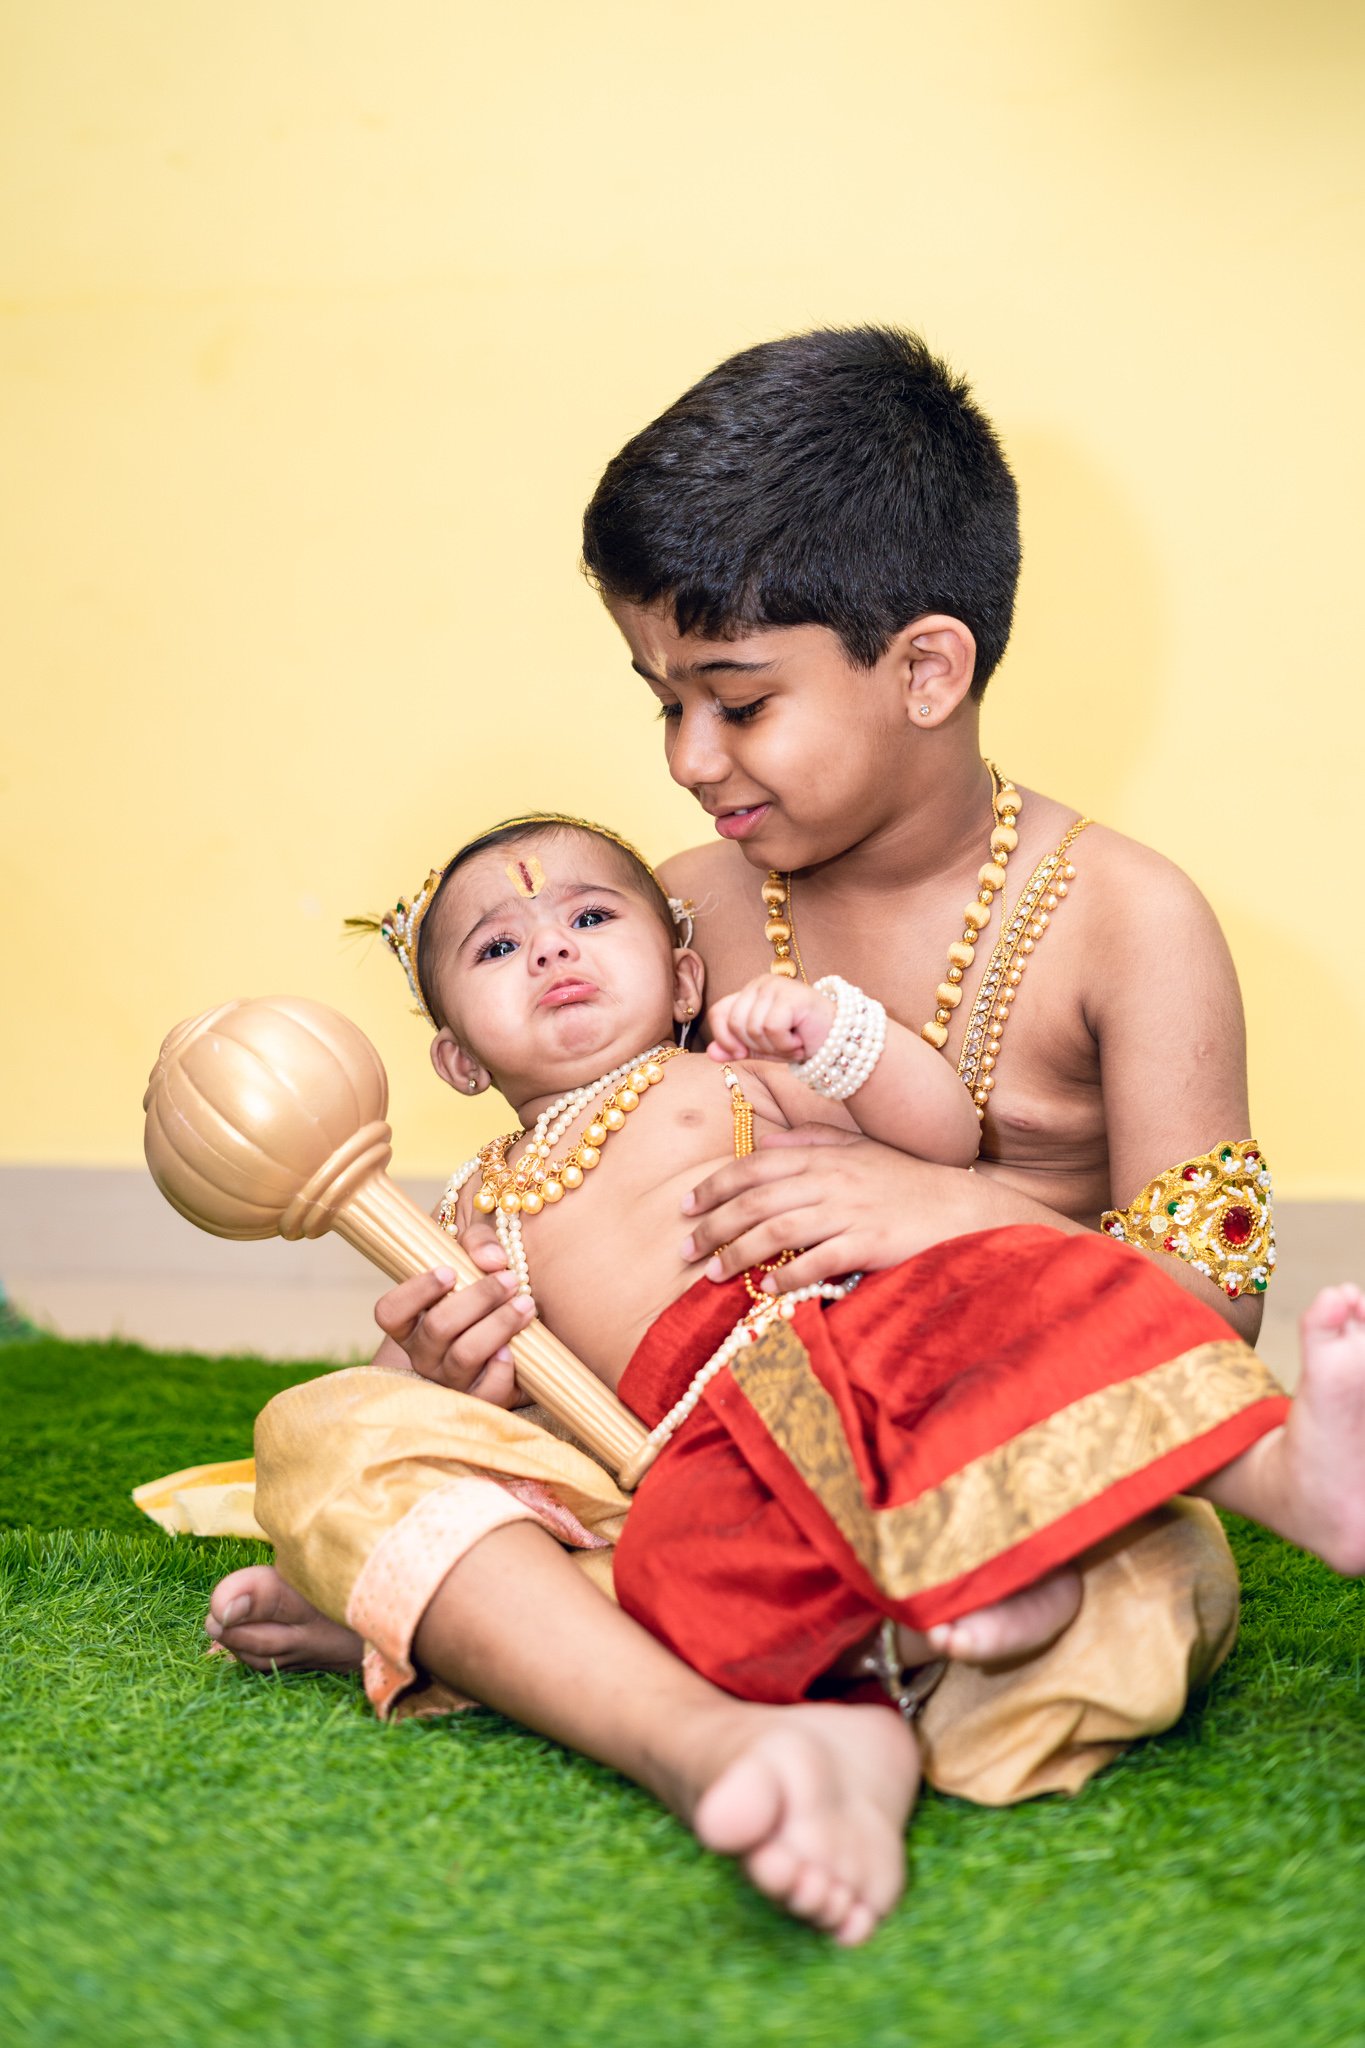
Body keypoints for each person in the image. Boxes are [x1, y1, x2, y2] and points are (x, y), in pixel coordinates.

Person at [205, 326, 1292, 1940]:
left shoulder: (1130, 923)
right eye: (663, 704)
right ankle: (703, 1717)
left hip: (987, 1465)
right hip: (677, 1453)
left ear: (926, 670)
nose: (689, 760)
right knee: (327, 1437)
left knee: (1150, 1592)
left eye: (736, 702)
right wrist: (469, 1355)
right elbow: (603, 1209)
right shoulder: (680, 907)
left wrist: (942, 1208)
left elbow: (1211, 1325)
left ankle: (499, 1627)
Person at [219, 814, 1361, 1947]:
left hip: (862, 1333)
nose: (552, 949)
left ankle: (1275, 1468)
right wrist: (434, 1361)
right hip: (695, 1451)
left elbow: (941, 1135)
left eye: (589, 917)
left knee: (1043, 1289)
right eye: (500, 947)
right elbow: (401, 1415)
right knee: (675, 1569)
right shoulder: (479, 1201)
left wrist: (838, 1035)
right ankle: (894, 1674)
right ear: (461, 1060)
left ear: (682, 979)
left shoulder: (734, 1077)